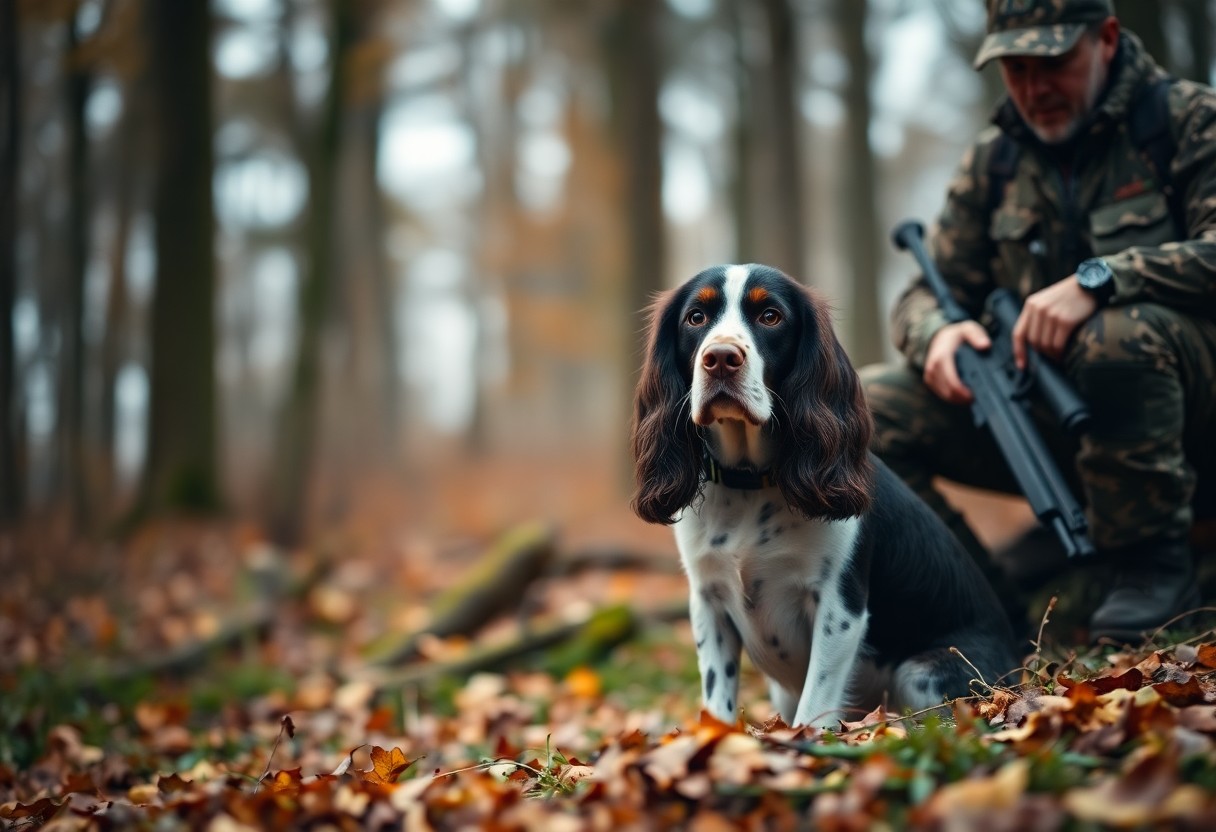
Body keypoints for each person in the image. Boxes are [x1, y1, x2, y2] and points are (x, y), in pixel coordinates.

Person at [861, 0, 1216, 642]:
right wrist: (938, 333)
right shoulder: (994, 162)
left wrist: (1106, 281)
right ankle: (982, 602)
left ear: (1106, 39)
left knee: (1116, 335)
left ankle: (1152, 573)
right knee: (863, 411)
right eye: (1015, 68)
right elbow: (921, 293)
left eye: (1051, 63)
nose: (1033, 88)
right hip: (1052, 418)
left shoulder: (1186, 121)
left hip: (1192, 412)